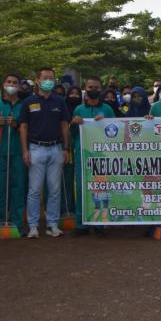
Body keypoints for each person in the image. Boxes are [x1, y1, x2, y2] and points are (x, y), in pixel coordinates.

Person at [20, 67, 70, 239]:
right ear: (38, 80)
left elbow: (64, 125)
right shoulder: (28, 102)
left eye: (51, 78)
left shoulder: (59, 101)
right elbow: (23, 127)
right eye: (45, 78)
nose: (48, 80)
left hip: (56, 149)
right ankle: (33, 226)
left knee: (54, 189)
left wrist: (66, 148)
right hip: (36, 148)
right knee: (34, 190)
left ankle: (52, 224)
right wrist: (25, 150)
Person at [70, 76, 116, 236]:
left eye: (96, 87)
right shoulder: (78, 109)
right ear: (85, 88)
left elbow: (115, 131)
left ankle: (99, 224)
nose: (93, 90)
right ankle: (81, 224)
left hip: (102, 156)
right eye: (90, 87)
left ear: (101, 89)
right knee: (82, 188)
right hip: (82, 154)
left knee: (101, 189)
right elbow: (72, 133)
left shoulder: (108, 110)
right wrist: (74, 123)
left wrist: (104, 123)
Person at [0, 73, 27, 235]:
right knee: (0, 188)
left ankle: (17, 222)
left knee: (18, 187)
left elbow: (29, 128)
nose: (11, 84)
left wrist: (16, 124)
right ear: (3, 84)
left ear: (19, 86)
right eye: (8, 82)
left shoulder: (24, 106)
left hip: (19, 152)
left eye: (15, 82)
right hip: (1, 153)